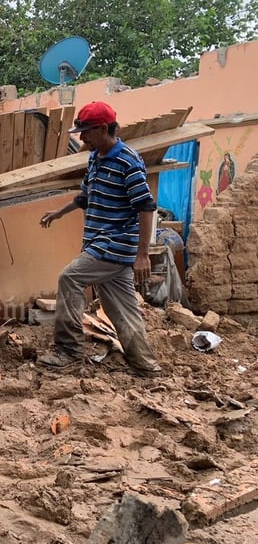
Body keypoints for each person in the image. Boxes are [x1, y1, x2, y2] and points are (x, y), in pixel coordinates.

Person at [37, 101, 163, 378]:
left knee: (69, 278)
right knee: (122, 309)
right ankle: (145, 366)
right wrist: (59, 213)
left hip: (112, 245)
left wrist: (143, 254)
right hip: (104, 246)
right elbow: (85, 196)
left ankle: (68, 351)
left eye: (86, 132)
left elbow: (145, 206)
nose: (82, 138)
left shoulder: (127, 162)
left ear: (103, 128)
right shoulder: (95, 157)